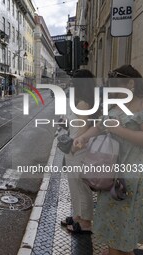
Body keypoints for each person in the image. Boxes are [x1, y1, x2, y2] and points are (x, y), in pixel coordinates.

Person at [74, 65, 143, 255]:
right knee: (116, 225)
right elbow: (100, 126)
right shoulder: (119, 104)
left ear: (131, 83)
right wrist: (83, 138)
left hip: (137, 174)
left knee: (123, 225)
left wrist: (117, 129)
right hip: (114, 173)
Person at [60, 69, 97, 234]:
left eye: (74, 81)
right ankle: (78, 215)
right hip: (74, 149)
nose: (72, 83)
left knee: (81, 187)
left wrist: (74, 148)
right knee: (74, 185)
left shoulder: (83, 103)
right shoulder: (81, 101)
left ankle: (86, 222)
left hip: (79, 150)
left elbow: (84, 129)